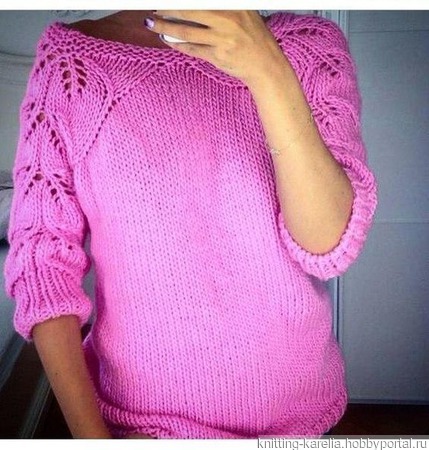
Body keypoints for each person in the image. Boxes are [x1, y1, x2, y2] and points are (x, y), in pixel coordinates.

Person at [3, 10, 377, 439]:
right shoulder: (72, 65)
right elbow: (41, 264)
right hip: (147, 427)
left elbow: (328, 245)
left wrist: (268, 70)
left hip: (298, 419)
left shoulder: (310, 46)